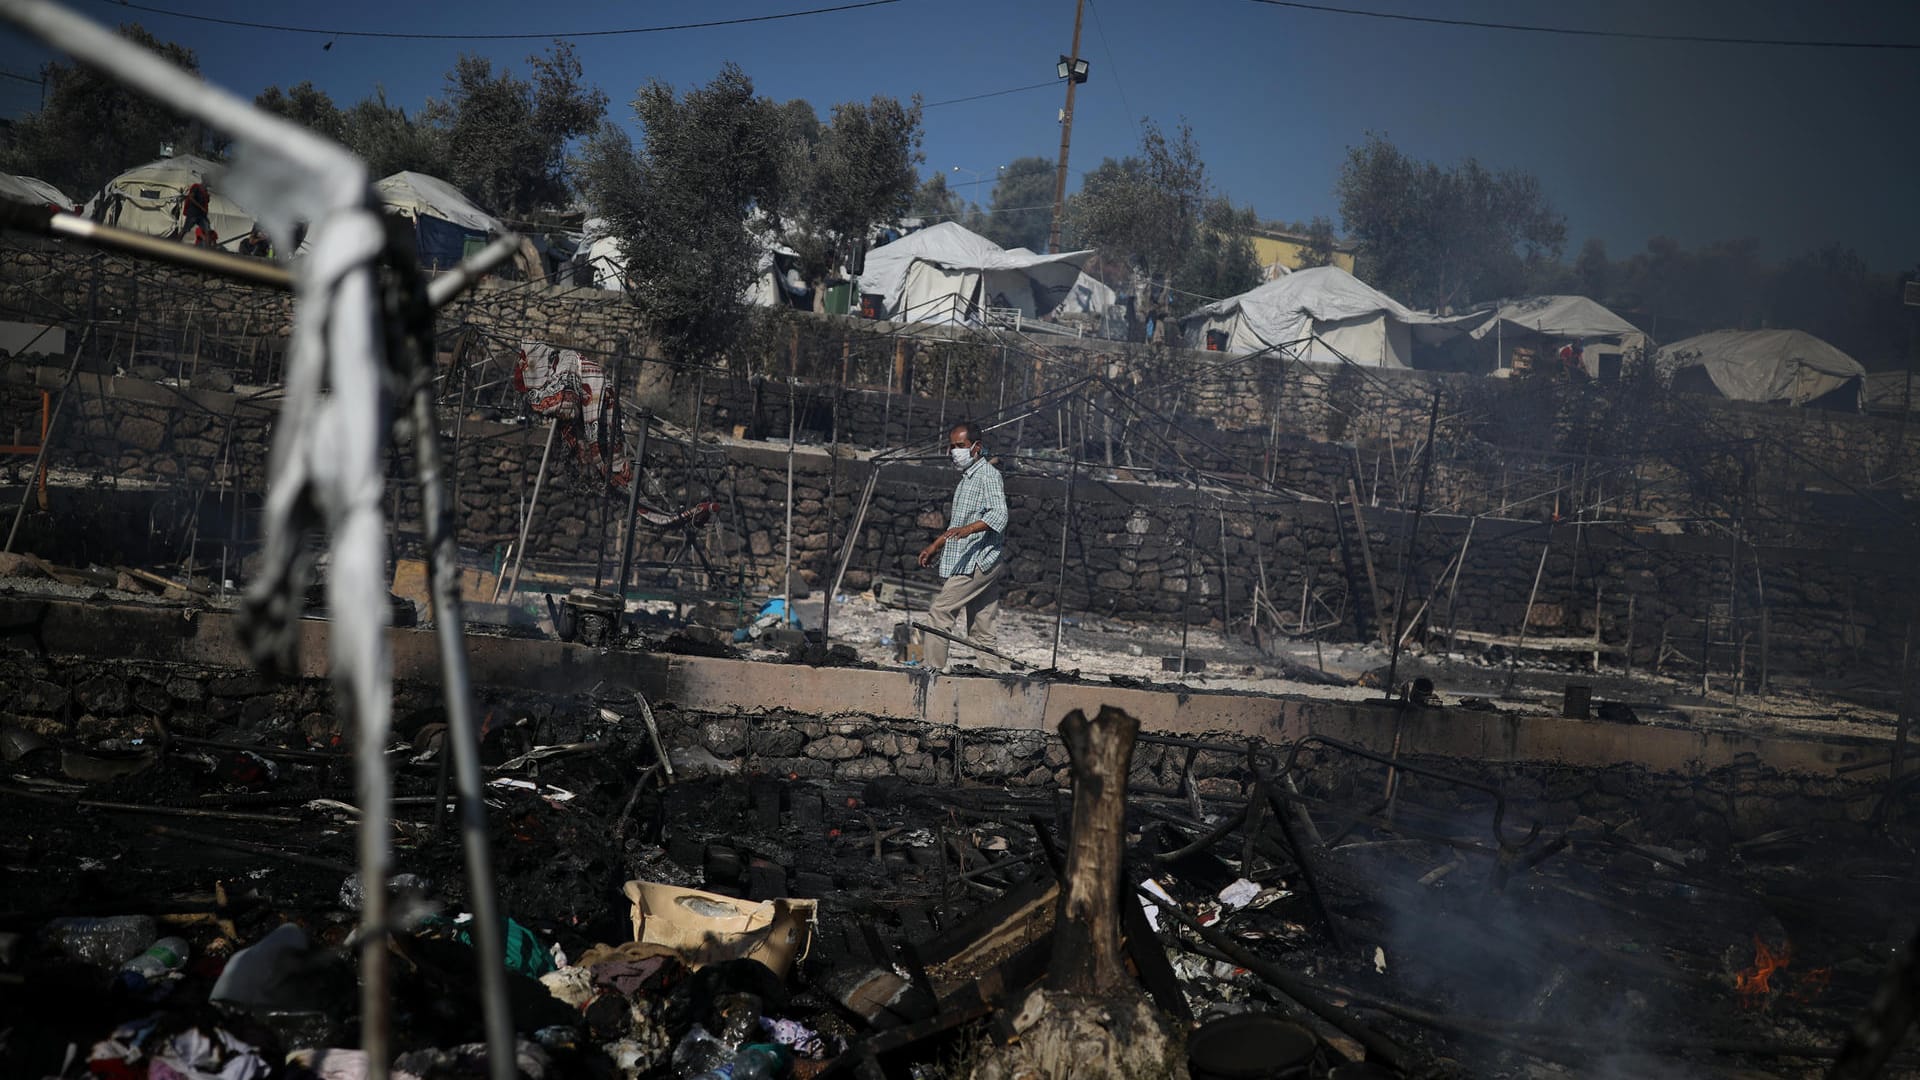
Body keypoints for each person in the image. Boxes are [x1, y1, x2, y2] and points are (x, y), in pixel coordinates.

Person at [917, 421, 1010, 672]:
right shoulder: (968, 479)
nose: (953, 451)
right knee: (982, 627)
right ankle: (992, 677)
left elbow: (999, 515)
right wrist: (936, 545)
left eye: (960, 446)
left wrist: (968, 531)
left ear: (976, 447)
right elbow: (958, 524)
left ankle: (932, 672)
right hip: (975, 558)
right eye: (951, 446)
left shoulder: (988, 476)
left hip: (978, 560)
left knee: (940, 611)